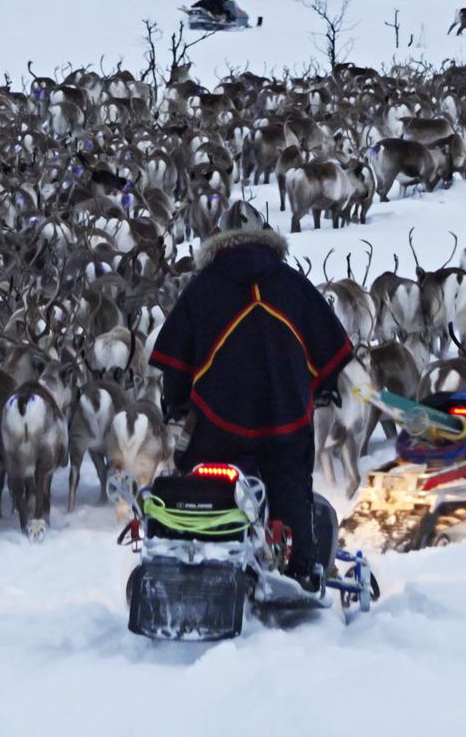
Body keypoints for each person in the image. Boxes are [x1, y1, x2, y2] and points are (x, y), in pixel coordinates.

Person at [151, 212, 353, 587]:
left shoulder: (202, 288)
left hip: (217, 422)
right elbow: (330, 348)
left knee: (197, 473)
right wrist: (322, 390)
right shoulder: (292, 284)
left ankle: (195, 551)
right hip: (285, 418)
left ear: (218, 249)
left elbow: (174, 362)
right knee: (290, 481)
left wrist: (178, 404)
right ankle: (301, 567)